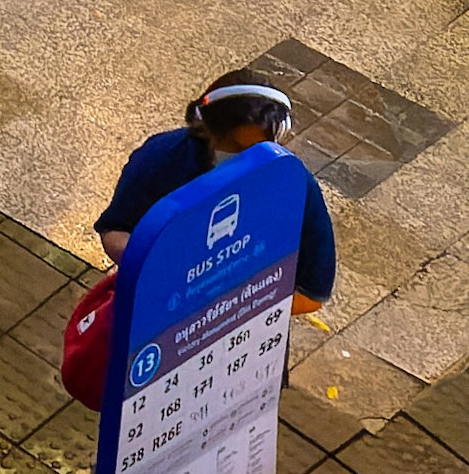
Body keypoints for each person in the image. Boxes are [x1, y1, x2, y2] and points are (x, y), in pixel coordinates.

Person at [94, 68, 340, 305]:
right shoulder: (162, 158)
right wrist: (162, 276)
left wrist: (237, 307)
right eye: (235, 146)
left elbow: (312, 292)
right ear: (207, 129)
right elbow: (115, 230)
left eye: (259, 149)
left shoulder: (294, 185)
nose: (249, 160)